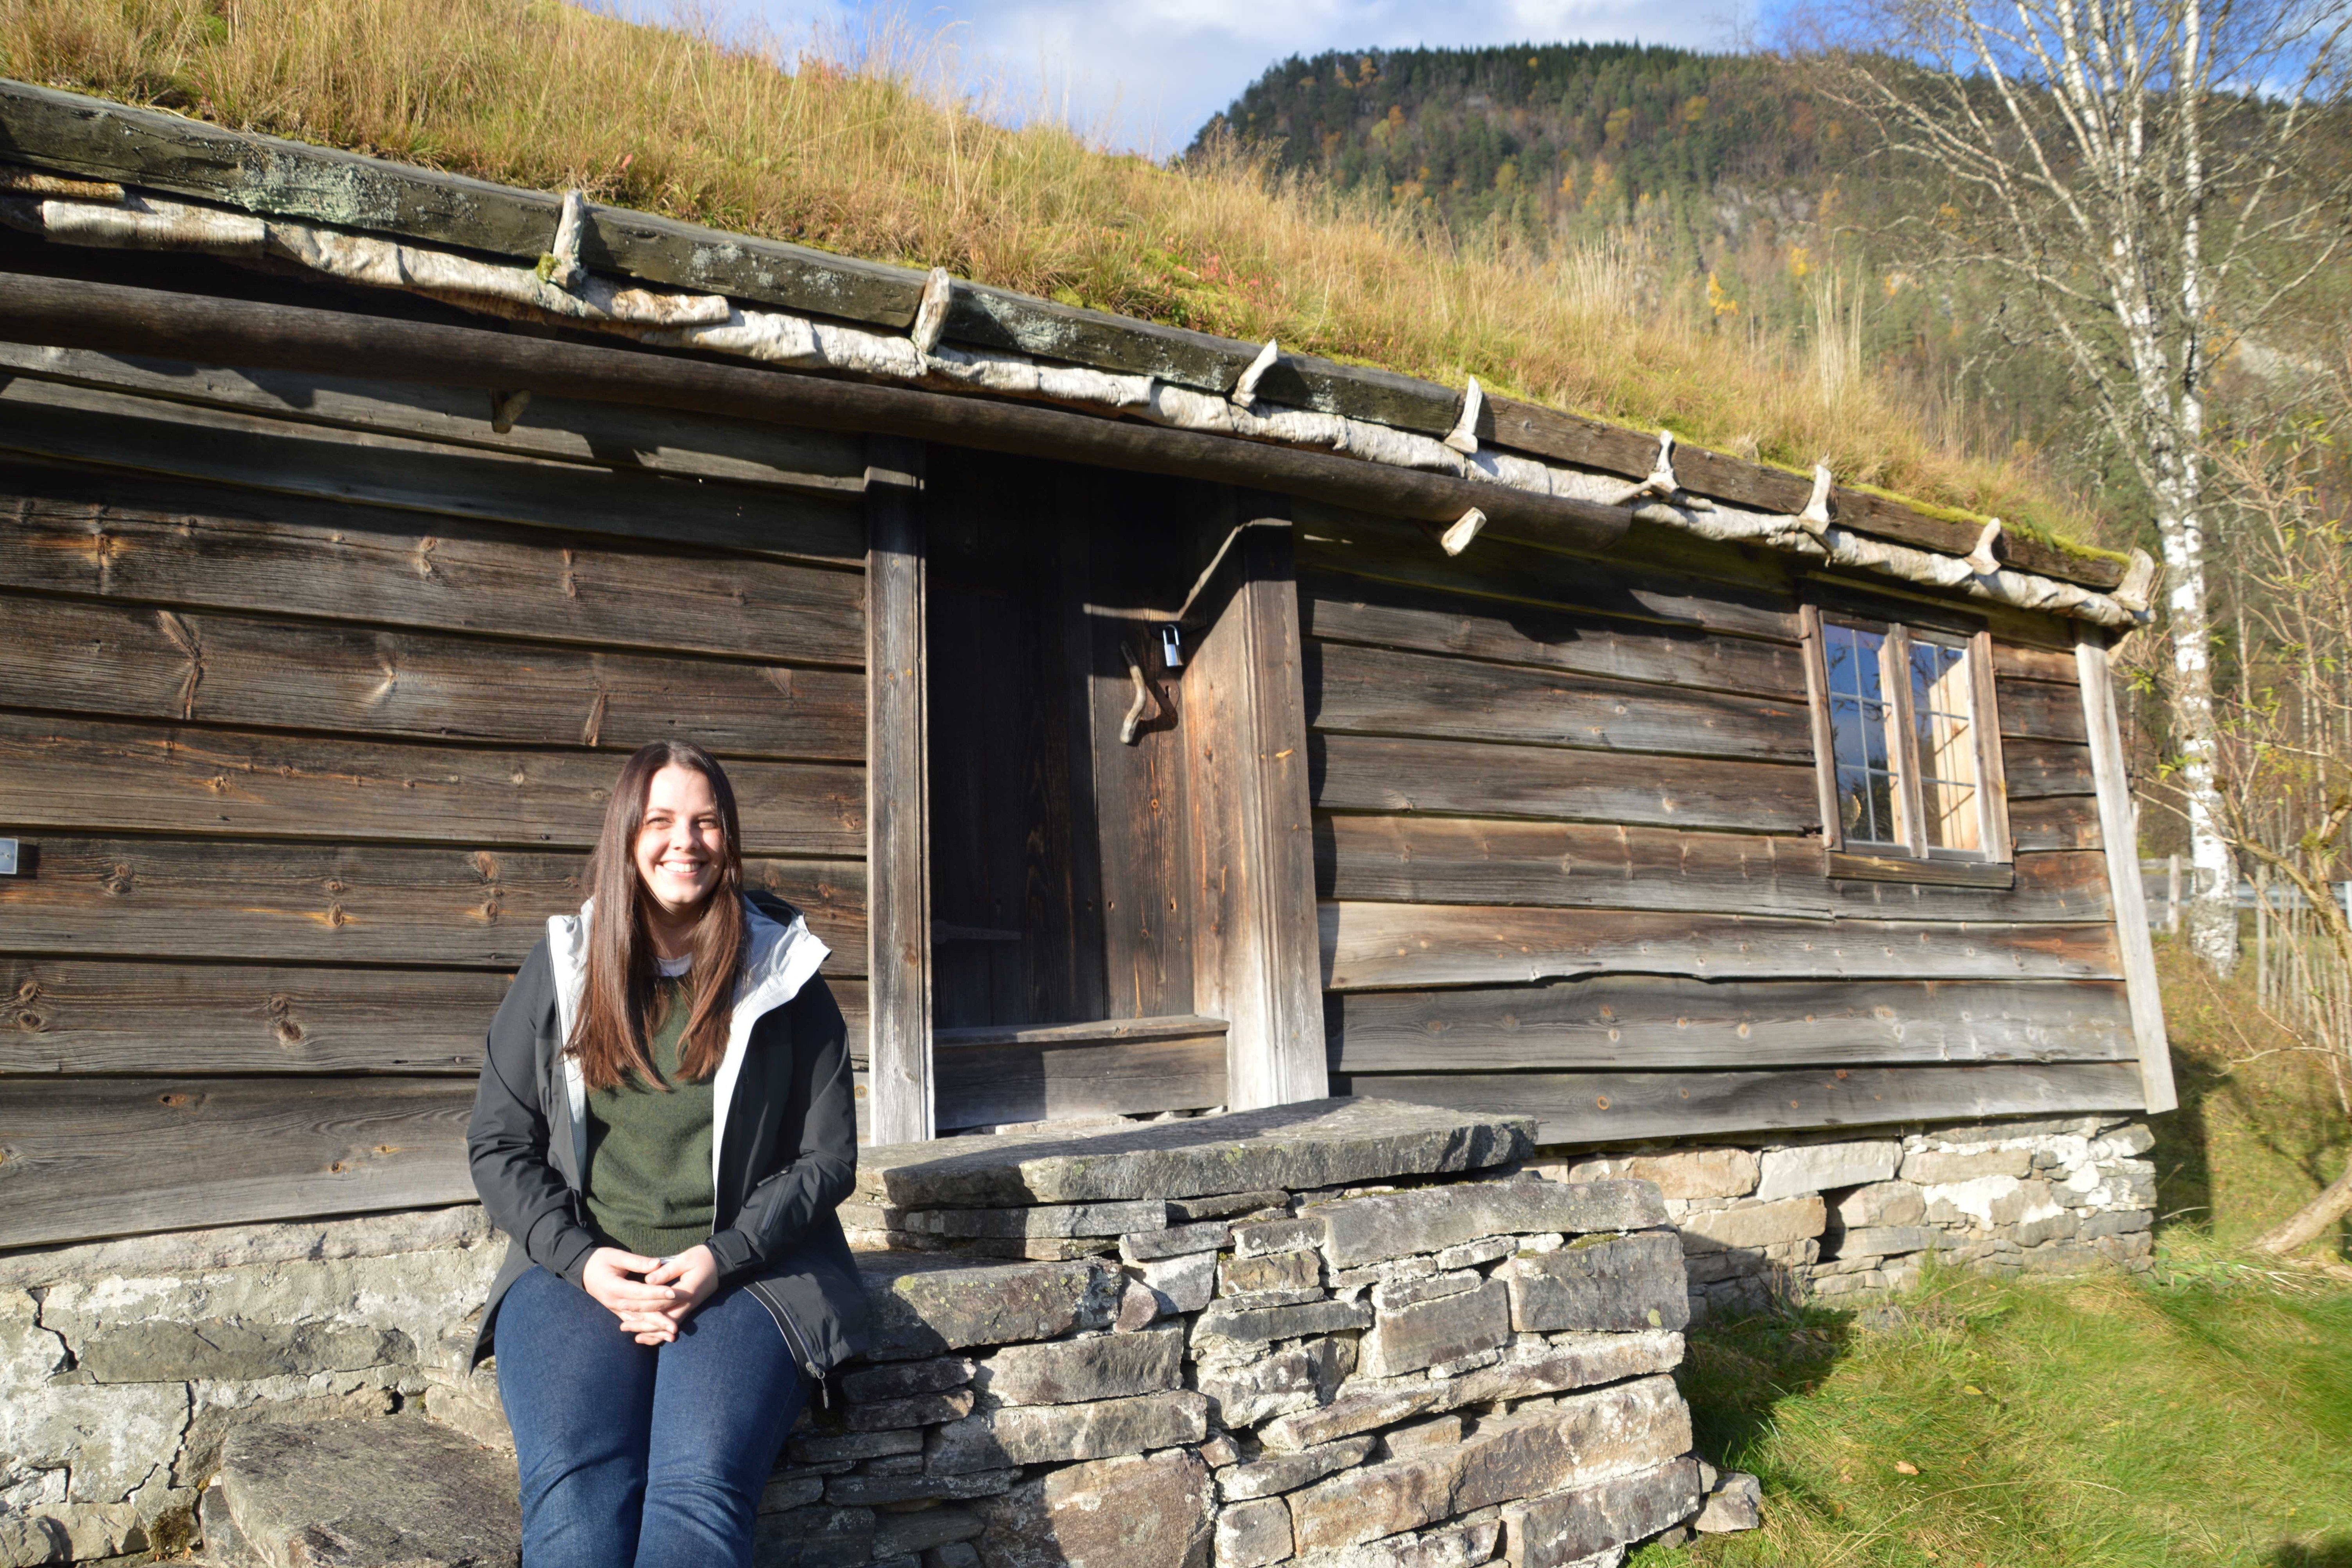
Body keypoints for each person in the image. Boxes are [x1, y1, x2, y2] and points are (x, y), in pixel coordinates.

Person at [465, 740, 868, 1568]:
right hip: (581, 1265)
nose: (684, 841)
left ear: (729, 838)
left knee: (695, 1494)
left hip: (750, 1273)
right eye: (660, 821)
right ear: (626, 836)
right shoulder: (565, 964)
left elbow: (827, 1157)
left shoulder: (785, 972)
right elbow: (499, 1142)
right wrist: (580, 1260)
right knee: (575, 1492)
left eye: (706, 821)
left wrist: (722, 1256)